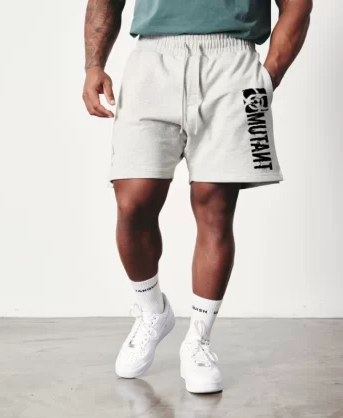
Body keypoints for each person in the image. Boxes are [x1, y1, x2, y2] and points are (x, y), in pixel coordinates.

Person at [83, 0, 312, 394]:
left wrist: (268, 75)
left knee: (215, 206)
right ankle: (152, 311)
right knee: (132, 203)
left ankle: (199, 340)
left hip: (233, 63)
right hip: (152, 60)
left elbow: (298, 4)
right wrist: (93, 66)